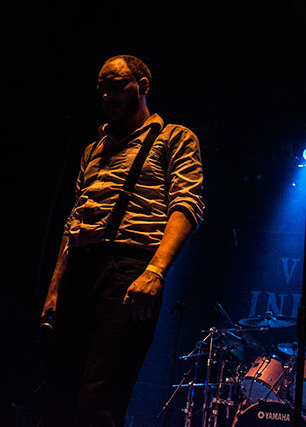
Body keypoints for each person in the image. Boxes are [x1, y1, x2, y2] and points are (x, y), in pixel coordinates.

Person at [40, 55, 204, 427]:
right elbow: (74, 220)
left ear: (143, 86)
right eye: (100, 88)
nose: (105, 95)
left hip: (129, 269)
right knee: (58, 393)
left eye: (115, 86)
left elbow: (186, 206)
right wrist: (54, 287)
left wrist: (155, 272)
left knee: (100, 399)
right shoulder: (93, 149)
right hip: (81, 267)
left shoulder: (174, 137)